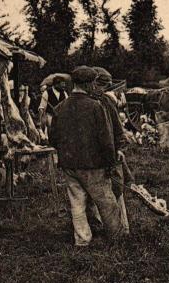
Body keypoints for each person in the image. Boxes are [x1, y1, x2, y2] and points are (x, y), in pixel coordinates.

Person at [49, 66, 123, 247]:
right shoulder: (96, 107)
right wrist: (110, 163)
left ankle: (82, 240)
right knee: (107, 203)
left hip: (69, 164)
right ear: (89, 84)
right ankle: (116, 240)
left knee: (77, 203)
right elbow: (106, 140)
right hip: (93, 165)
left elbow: (52, 139)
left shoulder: (60, 108)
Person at [90, 66, 131, 234]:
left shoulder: (107, 102)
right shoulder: (87, 102)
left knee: (115, 188)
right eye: (100, 85)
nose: (100, 88)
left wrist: (119, 147)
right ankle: (98, 224)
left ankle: (121, 226)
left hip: (109, 151)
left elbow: (117, 127)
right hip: (94, 153)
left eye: (104, 85)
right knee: (95, 191)